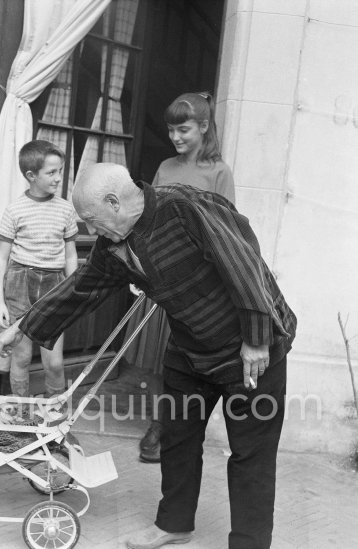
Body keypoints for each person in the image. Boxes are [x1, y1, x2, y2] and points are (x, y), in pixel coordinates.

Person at [0, 163, 297, 549]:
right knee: (177, 439)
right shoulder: (114, 243)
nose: (88, 230)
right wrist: (22, 327)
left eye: (90, 219)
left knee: (251, 453)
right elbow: (81, 288)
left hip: (250, 350)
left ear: (114, 201)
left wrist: (256, 337)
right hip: (190, 350)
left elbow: (244, 262)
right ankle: (174, 524)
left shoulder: (185, 208)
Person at [136, 91, 236, 463]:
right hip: (163, 272)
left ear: (204, 127)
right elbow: (151, 219)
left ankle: (174, 426)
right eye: (171, 130)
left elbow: (229, 229)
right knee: (162, 355)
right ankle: (158, 423)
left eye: (183, 129)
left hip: (198, 282)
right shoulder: (165, 167)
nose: (176, 137)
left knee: (188, 354)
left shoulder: (219, 172)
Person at [0, 139, 79, 399]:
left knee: (53, 361)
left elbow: (71, 254)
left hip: (54, 284)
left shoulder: (65, 209)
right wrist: (0, 302)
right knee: (20, 358)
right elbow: (1, 258)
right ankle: (21, 415)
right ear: (31, 175)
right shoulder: (15, 210)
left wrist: (73, 288)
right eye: (51, 172)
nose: (57, 178)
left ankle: (56, 415)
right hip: (20, 282)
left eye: (60, 171)